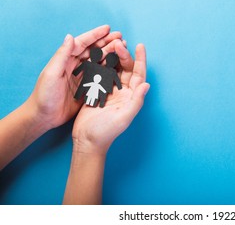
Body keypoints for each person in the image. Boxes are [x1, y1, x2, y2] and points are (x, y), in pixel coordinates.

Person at [0, 25, 150, 205]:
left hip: (88, 94)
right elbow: (106, 80)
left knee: (92, 96)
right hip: (90, 92)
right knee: (92, 95)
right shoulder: (101, 70)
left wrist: (39, 114)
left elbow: (106, 80)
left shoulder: (100, 70)